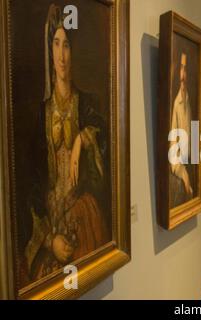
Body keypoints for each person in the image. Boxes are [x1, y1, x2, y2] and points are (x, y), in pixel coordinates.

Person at [24, 4, 109, 284]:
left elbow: (104, 144)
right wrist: (50, 240)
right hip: (51, 224)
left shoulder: (86, 105)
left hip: (83, 216)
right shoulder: (40, 114)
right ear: (50, 50)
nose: (61, 56)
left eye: (67, 46)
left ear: (74, 52)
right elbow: (32, 185)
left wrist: (80, 141)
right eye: (56, 44)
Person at [169, 52, 194, 208]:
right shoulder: (176, 104)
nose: (183, 74)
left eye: (186, 68)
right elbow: (173, 149)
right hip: (180, 167)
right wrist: (183, 173)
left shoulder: (188, 99)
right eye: (181, 68)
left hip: (191, 162)